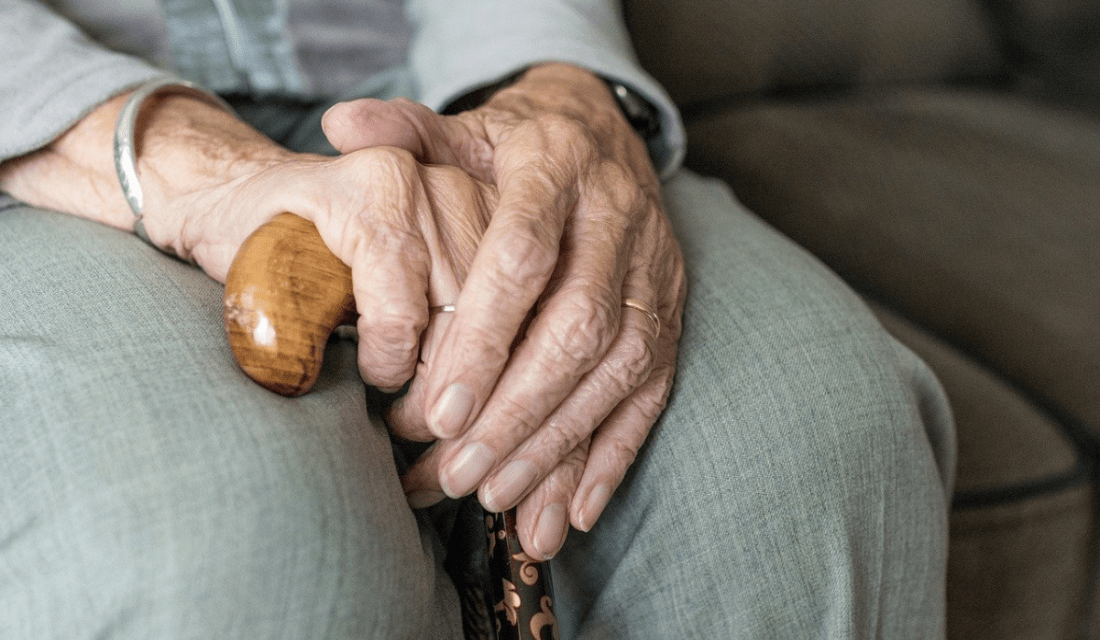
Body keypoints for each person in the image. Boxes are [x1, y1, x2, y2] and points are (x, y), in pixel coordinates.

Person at [0, 0, 956, 638]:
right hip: (40, 128)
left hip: (437, 98)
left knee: (815, 449)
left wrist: (562, 90)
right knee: (230, 551)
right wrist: (180, 160)